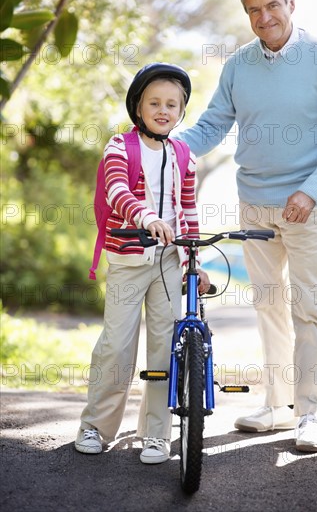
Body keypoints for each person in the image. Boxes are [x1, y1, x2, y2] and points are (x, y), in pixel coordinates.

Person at [179, 0, 317, 452]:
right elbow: (212, 124)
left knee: (311, 308)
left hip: (308, 207)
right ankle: (278, 406)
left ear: (291, 3)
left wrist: (312, 190)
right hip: (254, 205)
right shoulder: (239, 64)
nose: (264, 17)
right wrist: (165, 146)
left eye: (271, 6)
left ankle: (312, 412)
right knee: (268, 305)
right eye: (254, 11)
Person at [75, 62, 210, 463]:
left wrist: (193, 262)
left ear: (181, 111)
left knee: (165, 348)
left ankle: (155, 433)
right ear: (139, 106)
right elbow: (116, 189)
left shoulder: (184, 154)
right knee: (116, 346)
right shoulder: (120, 146)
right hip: (129, 257)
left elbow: (188, 212)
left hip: (170, 262)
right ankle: (96, 426)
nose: (163, 110)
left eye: (172, 104)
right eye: (155, 102)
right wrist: (146, 218)